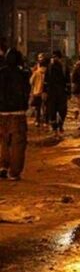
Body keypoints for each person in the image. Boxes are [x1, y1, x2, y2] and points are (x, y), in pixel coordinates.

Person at [0, 49, 31, 180]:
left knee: (4, 141)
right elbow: (26, 91)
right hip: (18, 112)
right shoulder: (23, 74)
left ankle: (3, 167)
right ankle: (14, 172)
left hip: (2, 112)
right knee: (18, 143)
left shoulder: (1, 73)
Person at [44, 50, 70, 135]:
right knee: (52, 111)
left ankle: (60, 125)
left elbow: (68, 81)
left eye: (56, 57)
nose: (54, 58)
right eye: (53, 57)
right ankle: (55, 128)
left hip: (61, 92)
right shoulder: (50, 66)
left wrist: (69, 92)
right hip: (52, 92)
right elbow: (46, 80)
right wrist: (44, 91)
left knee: (62, 110)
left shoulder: (64, 67)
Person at [29, 54, 48, 127]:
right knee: (45, 107)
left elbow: (31, 81)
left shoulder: (36, 72)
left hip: (37, 92)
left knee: (37, 108)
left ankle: (37, 121)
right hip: (45, 92)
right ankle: (45, 122)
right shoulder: (48, 72)